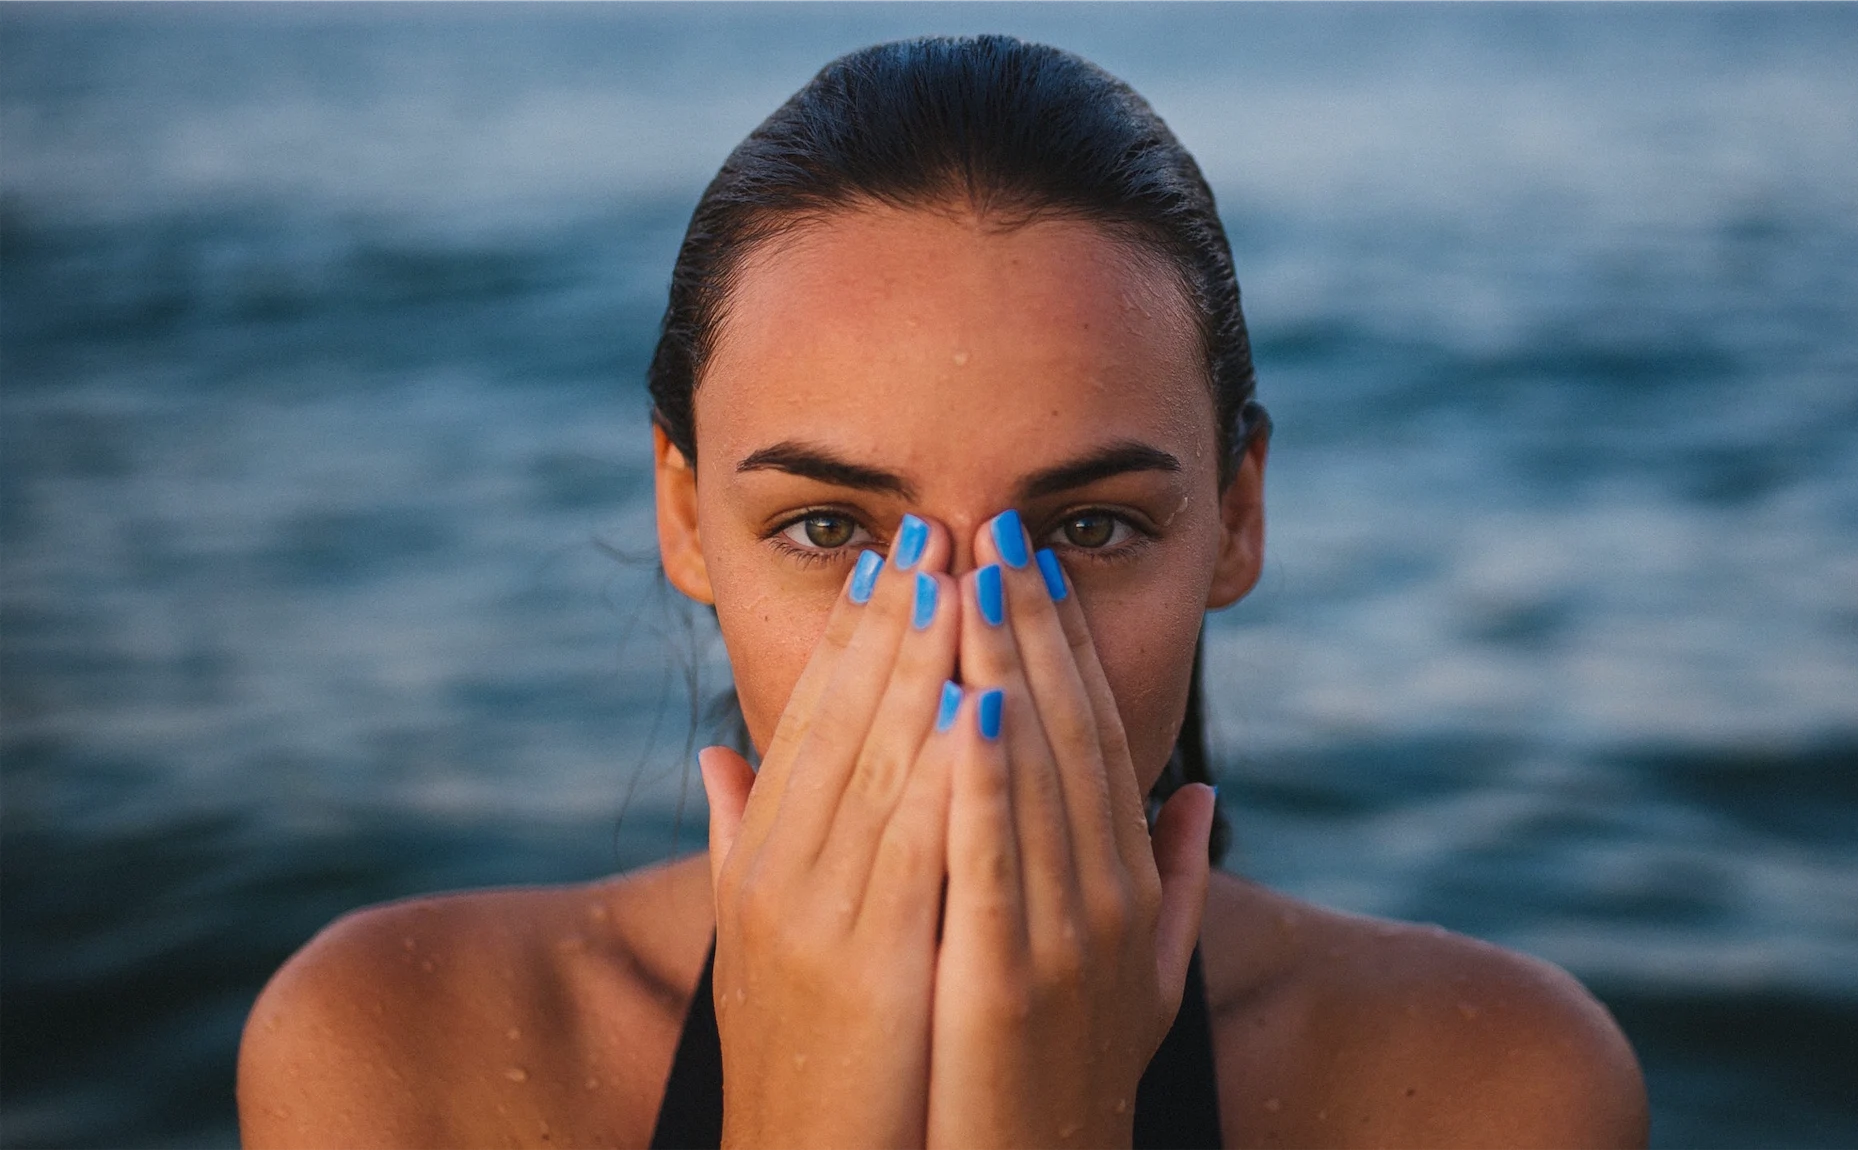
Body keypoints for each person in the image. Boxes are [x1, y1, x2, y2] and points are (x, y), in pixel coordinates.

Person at [237, 35, 1647, 1149]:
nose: (967, 643)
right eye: (834, 527)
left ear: (1234, 514)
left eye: (1089, 524)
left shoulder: (1493, 1081)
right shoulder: (396, 1046)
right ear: (683, 513)